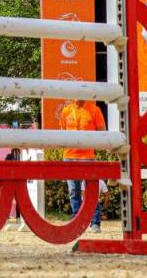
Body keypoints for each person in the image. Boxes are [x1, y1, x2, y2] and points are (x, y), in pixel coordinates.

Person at [60, 99, 105, 233]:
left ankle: (95, 222)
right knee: (74, 191)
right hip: (69, 156)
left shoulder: (94, 109)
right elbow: (62, 131)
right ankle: (77, 223)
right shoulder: (66, 110)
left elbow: (102, 131)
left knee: (91, 191)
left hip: (88, 157)